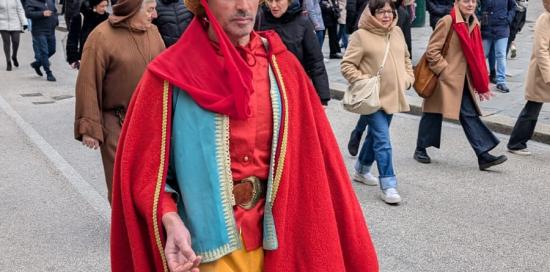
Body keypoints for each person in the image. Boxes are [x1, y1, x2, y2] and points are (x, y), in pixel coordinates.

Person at [110, 0, 380, 269]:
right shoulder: (168, 77)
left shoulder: (283, 70)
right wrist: (169, 217)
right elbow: (144, 173)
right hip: (205, 252)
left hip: (278, 243)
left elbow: (317, 168)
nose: (244, 7)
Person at [74, 0, 165, 204]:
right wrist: (89, 127)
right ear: (132, 10)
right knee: (121, 182)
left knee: (152, 181)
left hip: (151, 121)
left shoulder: (154, 33)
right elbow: (88, 82)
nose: (155, 15)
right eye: (150, 10)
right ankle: (124, 230)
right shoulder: (101, 37)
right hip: (117, 122)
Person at [413, 0, 507, 171]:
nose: (470, 5)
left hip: (463, 79)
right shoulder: (447, 21)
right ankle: (421, 149)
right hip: (445, 79)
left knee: (465, 113)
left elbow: (474, 53)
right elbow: (432, 51)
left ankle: (483, 154)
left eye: (473, 1)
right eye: (466, 1)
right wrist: (444, 71)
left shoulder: (473, 22)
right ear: (457, 2)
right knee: (433, 113)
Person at [341, 0, 414, 204]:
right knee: (383, 140)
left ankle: (362, 169)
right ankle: (388, 185)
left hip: (393, 95)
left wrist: (408, 78)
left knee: (375, 136)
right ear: (372, 14)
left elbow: (407, 58)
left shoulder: (397, 32)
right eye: (381, 12)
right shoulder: (360, 36)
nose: (386, 16)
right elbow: (347, 65)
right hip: (373, 98)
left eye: (389, 12)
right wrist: (364, 80)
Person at [256, 0, 331, 105]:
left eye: (278, 1)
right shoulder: (258, 20)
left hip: (294, 88)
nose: (273, 5)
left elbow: (315, 61)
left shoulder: (303, 22)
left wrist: (323, 97)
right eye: (269, 1)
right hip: (264, 89)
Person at [507, 0, 550, 156]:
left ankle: (517, 142)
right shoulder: (545, 19)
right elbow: (541, 50)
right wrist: (548, 76)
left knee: (532, 109)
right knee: (532, 109)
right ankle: (516, 143)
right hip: (542, 73)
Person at [479, 0, 515, 93]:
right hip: (486, 27)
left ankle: (501, 81)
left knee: (501, 55)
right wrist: (480, 18)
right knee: (483, 55)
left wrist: (508, 19)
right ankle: (480, 79)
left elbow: (513, 7)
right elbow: (477, 6)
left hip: (502, 27)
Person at [66, 0, 109, 69]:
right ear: (94, 6)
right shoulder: (80, 18)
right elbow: (72, 39)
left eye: (106, 6)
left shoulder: (107, 19)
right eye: (102, 6)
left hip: (103, 60)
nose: (105, 9)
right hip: (85, 59)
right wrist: (73, 59)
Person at [25, 0, 58, 81]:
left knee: (52, 50)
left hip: (51, 30)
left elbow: (55, 11)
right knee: (44, 52)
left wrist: (56, 21)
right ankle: (49, 73)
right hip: (39, 31)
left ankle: (37, 64)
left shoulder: (49, 1)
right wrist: (42, 13)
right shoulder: (31, 1)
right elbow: (28, 14)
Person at [0, 0, 27, 71]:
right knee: (6, 43)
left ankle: (14, 56)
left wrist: (24, 22)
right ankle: (8, 61)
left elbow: (20, 10)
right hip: (3, 23)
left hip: (15, 22)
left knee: (16, 41)